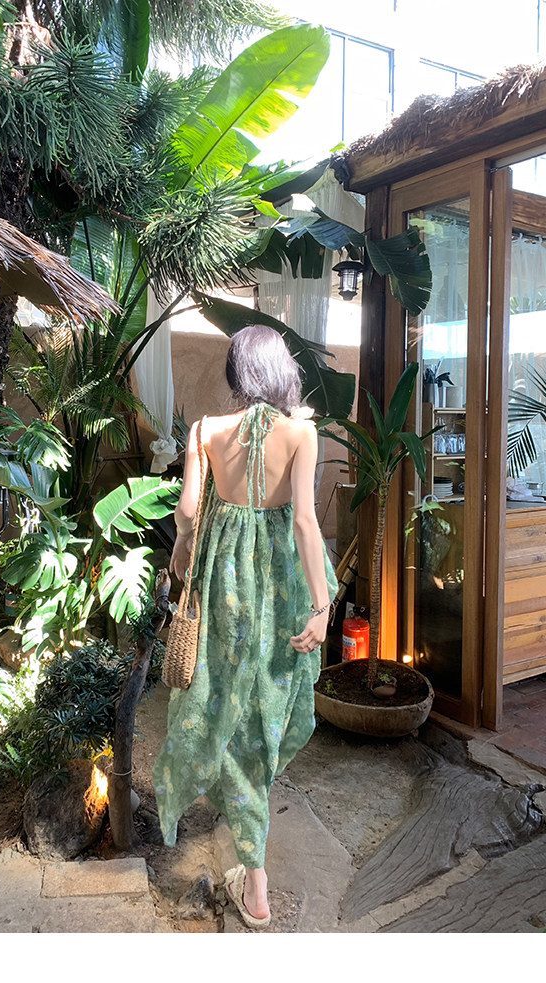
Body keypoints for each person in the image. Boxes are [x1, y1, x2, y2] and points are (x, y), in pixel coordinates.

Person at [152, 324, 338, 930]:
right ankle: (255, 879)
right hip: (279, 589)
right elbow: (306, 522)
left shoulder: (205, 430)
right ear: (281, 372)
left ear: (237, 373)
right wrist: (321, 606)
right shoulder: (301, 433)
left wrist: (182, 560)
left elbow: (187, 512)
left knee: (220, 697)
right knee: (265, 708)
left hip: (222, 584)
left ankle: (252, 873)